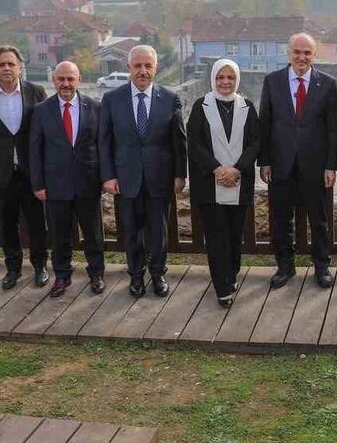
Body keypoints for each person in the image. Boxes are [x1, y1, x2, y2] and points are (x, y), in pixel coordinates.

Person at [99, 44, 187, 298]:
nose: (143, 71)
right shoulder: (112, 99)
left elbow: (179, 142)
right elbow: (104, 141)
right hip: (126, 179)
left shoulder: (170, 99)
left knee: (159, 231)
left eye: (148, 66)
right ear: (128, 68)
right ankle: (136, 276)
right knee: (131, 230)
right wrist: (108, 175)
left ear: (155, 68)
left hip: (160, 178)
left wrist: (180, 175)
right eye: (137, 66)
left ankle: (158, 274)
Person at [259, 33, 337, 290]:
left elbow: (333, 130)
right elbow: (265, 124)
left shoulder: (328, 85)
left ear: (314, 55)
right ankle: (285, 266)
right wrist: (265, 161)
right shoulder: (272, 82)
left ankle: (322, 267)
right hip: (281, 164)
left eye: (307, 52)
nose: (301, 57)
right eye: (297, 52)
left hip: (315, 166)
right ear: (289, 53)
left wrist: (331, 165)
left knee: (319, 219)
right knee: (281, 218)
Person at [0, 45, 49, 289]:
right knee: (5, 222)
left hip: (30, 171)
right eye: (1, 64)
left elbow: (46, 132)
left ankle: (40, 266)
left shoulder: (36, 92)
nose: (6, 68)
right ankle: (12, 268)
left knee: (36, 221)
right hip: (0, 172)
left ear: (20, 67)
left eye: (11, 64)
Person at [30, 61, 106, 298]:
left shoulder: (95, 107)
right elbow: (35, 149)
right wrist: (38, 184)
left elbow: (103, 146)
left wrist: (105, 178)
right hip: (55, 185)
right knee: (59, 234)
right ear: (54, 81)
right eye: (61, 79)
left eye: (70, 79)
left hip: (88, 182)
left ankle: (96, 273)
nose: (65, 84)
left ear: (78, 80)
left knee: (93, 233)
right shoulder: (42, 110)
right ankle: (62, 275)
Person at [189, 59, 260, 307]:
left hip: (239, 182)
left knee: (234, 234)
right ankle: (222, 286)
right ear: (213, 79)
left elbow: (255, 142)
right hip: (210, 184)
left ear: (237, 79)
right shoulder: (201, 106)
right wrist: (218, 169)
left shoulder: (247, 107)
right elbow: (194, 144)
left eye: (230, 77)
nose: (225, 82)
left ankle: (231, 275)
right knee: (217, 236)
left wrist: (237, 169)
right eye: (220, 77)